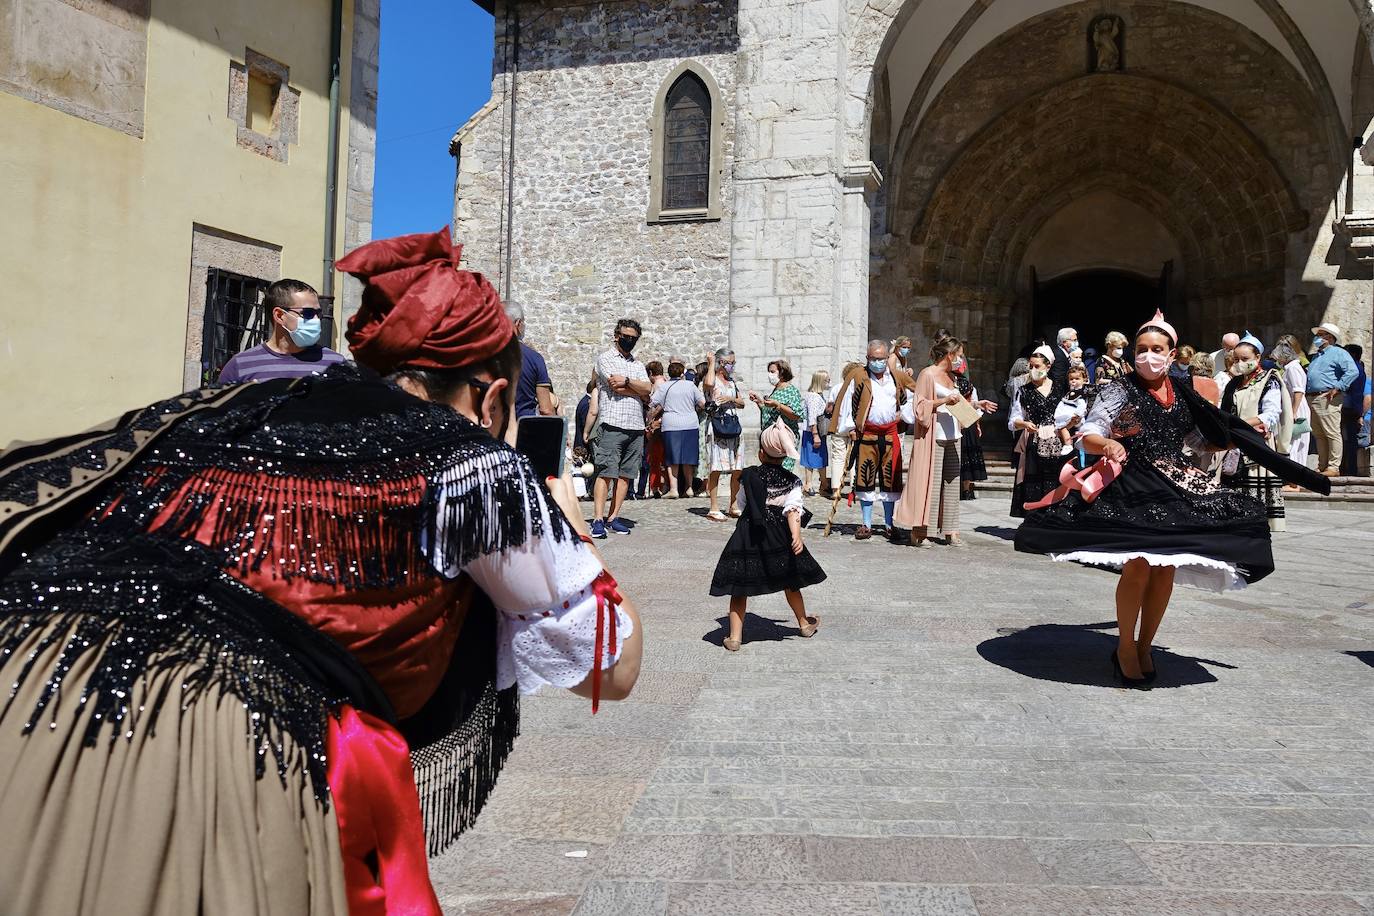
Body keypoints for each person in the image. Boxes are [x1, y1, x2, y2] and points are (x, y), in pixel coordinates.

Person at [0, 227, 643, 914]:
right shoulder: (470, 460)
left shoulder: (223, 412)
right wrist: (567, 519)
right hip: (209, 760)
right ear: (491, 402)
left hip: (24, 678)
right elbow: (612, 662)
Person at [1015, 311, 1326, 686]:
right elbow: (1091, 430)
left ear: (1171, 351)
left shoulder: (1183, 392)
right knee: (1138, 565)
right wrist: (1108, 442)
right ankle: (1125, 647)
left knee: (1165, 570)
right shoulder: (1119, 389)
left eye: (1157, 349)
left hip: (1174, 481)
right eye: (1142, 349)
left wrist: (1220, 441)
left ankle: (1146, 644)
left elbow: (1192, 439)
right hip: (1132, 483)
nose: (1149, 356)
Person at [709, 421, 826, 652]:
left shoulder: (749, 476)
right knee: (790, 581)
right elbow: (793, 510)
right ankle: (803, 623)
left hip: (748, 532)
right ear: (784, 457)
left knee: (739, 586)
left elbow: (741, 504)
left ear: (761, 453)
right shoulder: (792, 480)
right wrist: (796, 535)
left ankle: (734, 637)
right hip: (779, 533)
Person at [894, 335, 997, 547]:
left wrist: (977, 405)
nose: (961, 360)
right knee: (929, 483)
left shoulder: (952, 377)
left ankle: (951, 530)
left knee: (952, 484)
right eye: (958, 355)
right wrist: (942, 400)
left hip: (953, 436)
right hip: (934, 437)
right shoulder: (927, 374)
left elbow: (956, 404)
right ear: (949, 355)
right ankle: (921, 531)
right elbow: (919, 406)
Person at [837, 340, 912, 540]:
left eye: (882, 358)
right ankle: (867, 524)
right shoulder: (859, 377)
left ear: (888, 358)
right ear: (868, 358)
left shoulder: (896, 378)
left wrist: (903, 415)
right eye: (874, 359)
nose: (878, 362)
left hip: (890, 435)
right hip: (867, 435)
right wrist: (852, 427)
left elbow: (909, 398)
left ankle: (889, 525)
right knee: (865, 477)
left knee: (890, 479)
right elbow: (849, 403)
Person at [586, 319, 651, 537]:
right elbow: (615, 386)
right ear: (616, 335)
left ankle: (613, 517)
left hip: (636, 425)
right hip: (613, 421)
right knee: (606, 472)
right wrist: (636, 389)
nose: (629, 340)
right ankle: (597, 518)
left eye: (633, 338)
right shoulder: (605, 358)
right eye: (626, 336)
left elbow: (648, 389)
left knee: (626, 474)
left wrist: (628, 381)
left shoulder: (638, 365)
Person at [1219, 340, 1292, 531]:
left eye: (1245, 358)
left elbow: (1271, 413)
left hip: (1256, 440)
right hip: (1234, 441)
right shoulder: (1234, 382)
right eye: (1236, 359)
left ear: (1257, 357)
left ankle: (1255, 522)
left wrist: (1241, 424)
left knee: (1253, 481)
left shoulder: (1269, 379)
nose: (1240, 362)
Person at [217, 278, 345, 382]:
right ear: (279, 315)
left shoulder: (336, 364)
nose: (316, 319)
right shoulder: (240, 366)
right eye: (308, 313)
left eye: (318, 313)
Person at [1007, 351, 1065, 518]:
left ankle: (1053, 518)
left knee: (1054, 479)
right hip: (1034, 440)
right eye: (1030, 366)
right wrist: (1024, 423)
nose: (1033, 369)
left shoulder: (1060, 388)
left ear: (1048, 366)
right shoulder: (1024, 391)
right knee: (1034, 479)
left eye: (1037, 366)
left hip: (1057, 441)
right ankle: (1034, 518)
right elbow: (1014, 420)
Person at [1305, 322, 1360, 476]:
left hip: (1327, 397)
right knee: (1319, 434)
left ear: (1329, 337)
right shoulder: (1318, 355)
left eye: (1319, 335)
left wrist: (1338, 387)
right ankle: (1323, 465)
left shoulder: (1338, 353)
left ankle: (1334, 467)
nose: (1316, 338)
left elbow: (1352, 371)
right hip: (1314, 397)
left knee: (1331, 432)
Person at [650, 355, 706, 498]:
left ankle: (674, 489)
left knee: (672, 458)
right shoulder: (690, 385)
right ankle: (689, 488)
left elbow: (653, 402)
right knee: (688, 458)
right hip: (690, 423)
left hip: (671, 425)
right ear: (682, 373)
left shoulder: (664, 387)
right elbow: (702, 403)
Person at [703, 348, 747, 521]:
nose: (732, 366)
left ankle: (733, 504)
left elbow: (742, 403)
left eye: (733, 362)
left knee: (738, 468)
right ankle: (713, 507)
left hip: (733, 424)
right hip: (718, 424)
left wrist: (731, 399)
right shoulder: (713, 380)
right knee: (716, 467)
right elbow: (707, 385)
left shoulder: (731, 382)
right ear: (721, 362)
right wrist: (711, 363)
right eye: (729, 362)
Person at [1272, 336, 1312, 485]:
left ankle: (1295, 481)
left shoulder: (1293, 368)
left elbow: (1298, 391)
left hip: (1296, 409)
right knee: (1289, 443)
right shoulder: (1289, 368)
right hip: (1290, 409)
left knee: (1294, 444)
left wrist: (1293, 413)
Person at [751, 358, 803, 471]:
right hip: (771, 440)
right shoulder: (776, 390)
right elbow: (771, 413)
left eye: (773, 372)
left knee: (783, 472)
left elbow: (796, 414)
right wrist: (760, 403)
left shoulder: (791, 391)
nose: (770, 375)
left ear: (782, 373)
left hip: (784, 439)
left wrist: (778, 405)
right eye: (769, 371)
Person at [507, 301, 555, 419]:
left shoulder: (485, 355)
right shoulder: (534, 358)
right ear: (518, 323)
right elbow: (546, 409)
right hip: (524, 428)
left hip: (491, 427)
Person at [953, 352, 988, 501]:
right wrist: (977, 424)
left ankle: (963, 489)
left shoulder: (963, 384)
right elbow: (976, 407)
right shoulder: (967, 385)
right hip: (967, 422)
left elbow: (975, 406)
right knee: (966, 455)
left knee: (962, 456)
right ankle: (966, 490)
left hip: (962, 422)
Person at [822, 363, 860, 498]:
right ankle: (855, 489)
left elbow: (829, 408)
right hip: (855, 428)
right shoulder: (859, 388)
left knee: (838, 458)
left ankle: (836, 489)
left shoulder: (837, 388)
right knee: (855, 458)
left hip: (838, 427)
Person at [637, 360, 668, 499]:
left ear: (650, 373)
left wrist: (650, 418)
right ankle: (659, 486)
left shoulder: (658, 385)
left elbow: (660, 404)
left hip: (656, 426)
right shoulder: (665, 383)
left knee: (655, 457)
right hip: (661, 425)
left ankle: (657, 487)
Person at [800, 370, 830, 496]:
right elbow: (812, 417)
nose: (829, 383)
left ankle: (822, 483)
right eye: (827, 380)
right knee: (813, 458)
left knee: (819, 458)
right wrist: (815, 435)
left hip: (816, 432)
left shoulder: (817, 395)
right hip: (814, 431)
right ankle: (810, 484)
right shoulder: (813, 396)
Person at [1341, 344, 1369, 477]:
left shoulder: (1355, 370)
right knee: (1348, 440)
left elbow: (1360, 395)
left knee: (1350, 441)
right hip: (1351, 410)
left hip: (1350, 410)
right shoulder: (1356, 369)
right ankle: (1348, 468)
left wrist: (1359, 414)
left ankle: (1349, 469)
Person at [1055, 365, 1092, 454]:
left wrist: (1077, 415)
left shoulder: (1081, 392)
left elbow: (1082, 405)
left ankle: (1068, 444)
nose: (1074, 381)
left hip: (1075, 415)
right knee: (1063, 428)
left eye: (1077, 379)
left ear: (1084, 380)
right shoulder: (1070, 392)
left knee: (1062, 428)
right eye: (1071, 379)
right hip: (1067, 414)